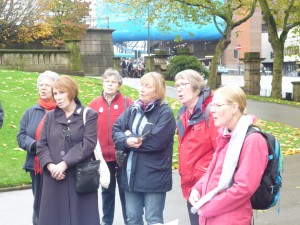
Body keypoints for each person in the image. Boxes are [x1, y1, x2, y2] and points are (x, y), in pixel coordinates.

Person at [189, 85, 268, 225]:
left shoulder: (253, 140)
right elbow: (213, 172)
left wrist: (207, 207)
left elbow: (244, 188)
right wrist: (197, 188)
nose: (211, 110)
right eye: (212, 105)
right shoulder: (226, 135)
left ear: (234, 107)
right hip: (211, 217)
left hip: (229, 219)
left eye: (218, 105)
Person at [112, 72, 176, 225]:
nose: (142, 89)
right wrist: (127, 140)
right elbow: (116, 130)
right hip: (130, 174)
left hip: (154, 175)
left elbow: (156, 141)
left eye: (148, 86)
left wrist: (131, 137)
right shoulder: (133, 108)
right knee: (132, 219)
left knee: (153, 219)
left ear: (158, 90)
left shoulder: (165, 113)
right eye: (142, 85)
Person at [36, 75, 100, 225]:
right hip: (54, 179)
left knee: (81, 219)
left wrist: (64, 164)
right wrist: (51, 166)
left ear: (72, 92)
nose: (58, 97)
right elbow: (41, 145)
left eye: (61, 93)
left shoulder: (88, 114)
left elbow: (88, 144)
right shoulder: (50, 116)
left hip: (79, 178)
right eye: (55, 94)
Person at [89, 68, 133, 225]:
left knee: (125, 193)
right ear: (102, 82)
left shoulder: (128, 103)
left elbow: (133, 127)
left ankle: (130, 221)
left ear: (119, 85)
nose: (109, 84)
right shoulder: (94, 104)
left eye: (113, 82)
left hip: (123, 156)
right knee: (106, 193)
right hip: (103, 157)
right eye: (106, 81)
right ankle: (106, 222)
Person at [174, 69, 218, 225]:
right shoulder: (183, 114)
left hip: (209, 187)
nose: (178, 89)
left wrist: (207, 178)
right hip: (190, 186)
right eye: (176, 85)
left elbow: (222, 151)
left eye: (183, 84)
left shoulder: (212, 111)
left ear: (196, 86)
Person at [17, 70, 59, 225]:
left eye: (47, 85)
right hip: (37, 166)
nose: (43, 87)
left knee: (56, 202)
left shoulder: (61, 111)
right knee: (39, 202)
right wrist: (35, 146)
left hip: (58, 165)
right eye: (41, 85)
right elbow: (21, 136)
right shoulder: (30, 112)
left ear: (55, 88)